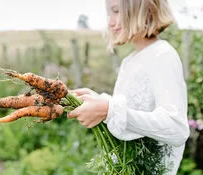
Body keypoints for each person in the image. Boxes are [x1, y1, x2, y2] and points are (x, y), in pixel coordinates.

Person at [67, 0, 190, 174]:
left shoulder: (162, 55)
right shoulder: (130, 61)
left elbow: (176, 127)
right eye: (109, 13)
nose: (110, 22)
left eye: (116, 11)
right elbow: (130, 110)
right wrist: (101, 101)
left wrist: (108, 109)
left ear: (144, 10)